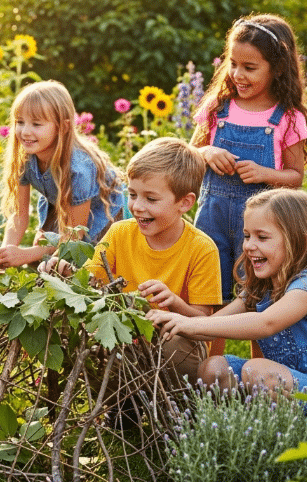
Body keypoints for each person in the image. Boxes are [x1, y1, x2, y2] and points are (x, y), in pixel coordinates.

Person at [146, 188, 307, 419]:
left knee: (258, 370)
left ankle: (305, 439)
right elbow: (210, 328)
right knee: (212, 369)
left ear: (300, 242)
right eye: (247, 236)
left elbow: (267, 323)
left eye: (262, 237)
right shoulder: (260, 290)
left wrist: (188, 325)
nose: (249, 246)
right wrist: (175, 308)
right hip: (287, 387)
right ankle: (237, 433)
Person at [40, 137, 221, 385]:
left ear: (185, 203)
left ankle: (178, 411)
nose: (137, 206)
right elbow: (91, 281)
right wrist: (67, 273)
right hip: (124, 337)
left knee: (172, 348)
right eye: (133, 195)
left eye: (151, 199)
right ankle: (120, 409)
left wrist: (174, 302)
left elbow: (203, 322)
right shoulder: (120, 233)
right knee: (75, 327)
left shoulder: (201, 248)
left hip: (176, 344)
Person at [190, 13, 307, 357]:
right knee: (210, 293)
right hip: (212, 217)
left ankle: (258, 371)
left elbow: (295, 177)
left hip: (260, 227)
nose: (238, 75)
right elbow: (192, 153)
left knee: (257, 297)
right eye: (233, 63)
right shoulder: (218, 108)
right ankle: (211, 369)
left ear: (277, 68)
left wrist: (264, 173)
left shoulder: (287, 117)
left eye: (250, 67)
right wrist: (208, 151)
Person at [0, 80, 125, 269]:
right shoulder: (25, 158)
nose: (25, 132)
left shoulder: (79, 169)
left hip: (101, 218)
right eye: (20, 122)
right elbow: (19, 216)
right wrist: (4, 253)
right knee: (45, 265)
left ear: (63, 127)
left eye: (36, 124)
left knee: (80, 273)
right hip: (62, 206)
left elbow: (75, 237)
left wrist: (28, 254)